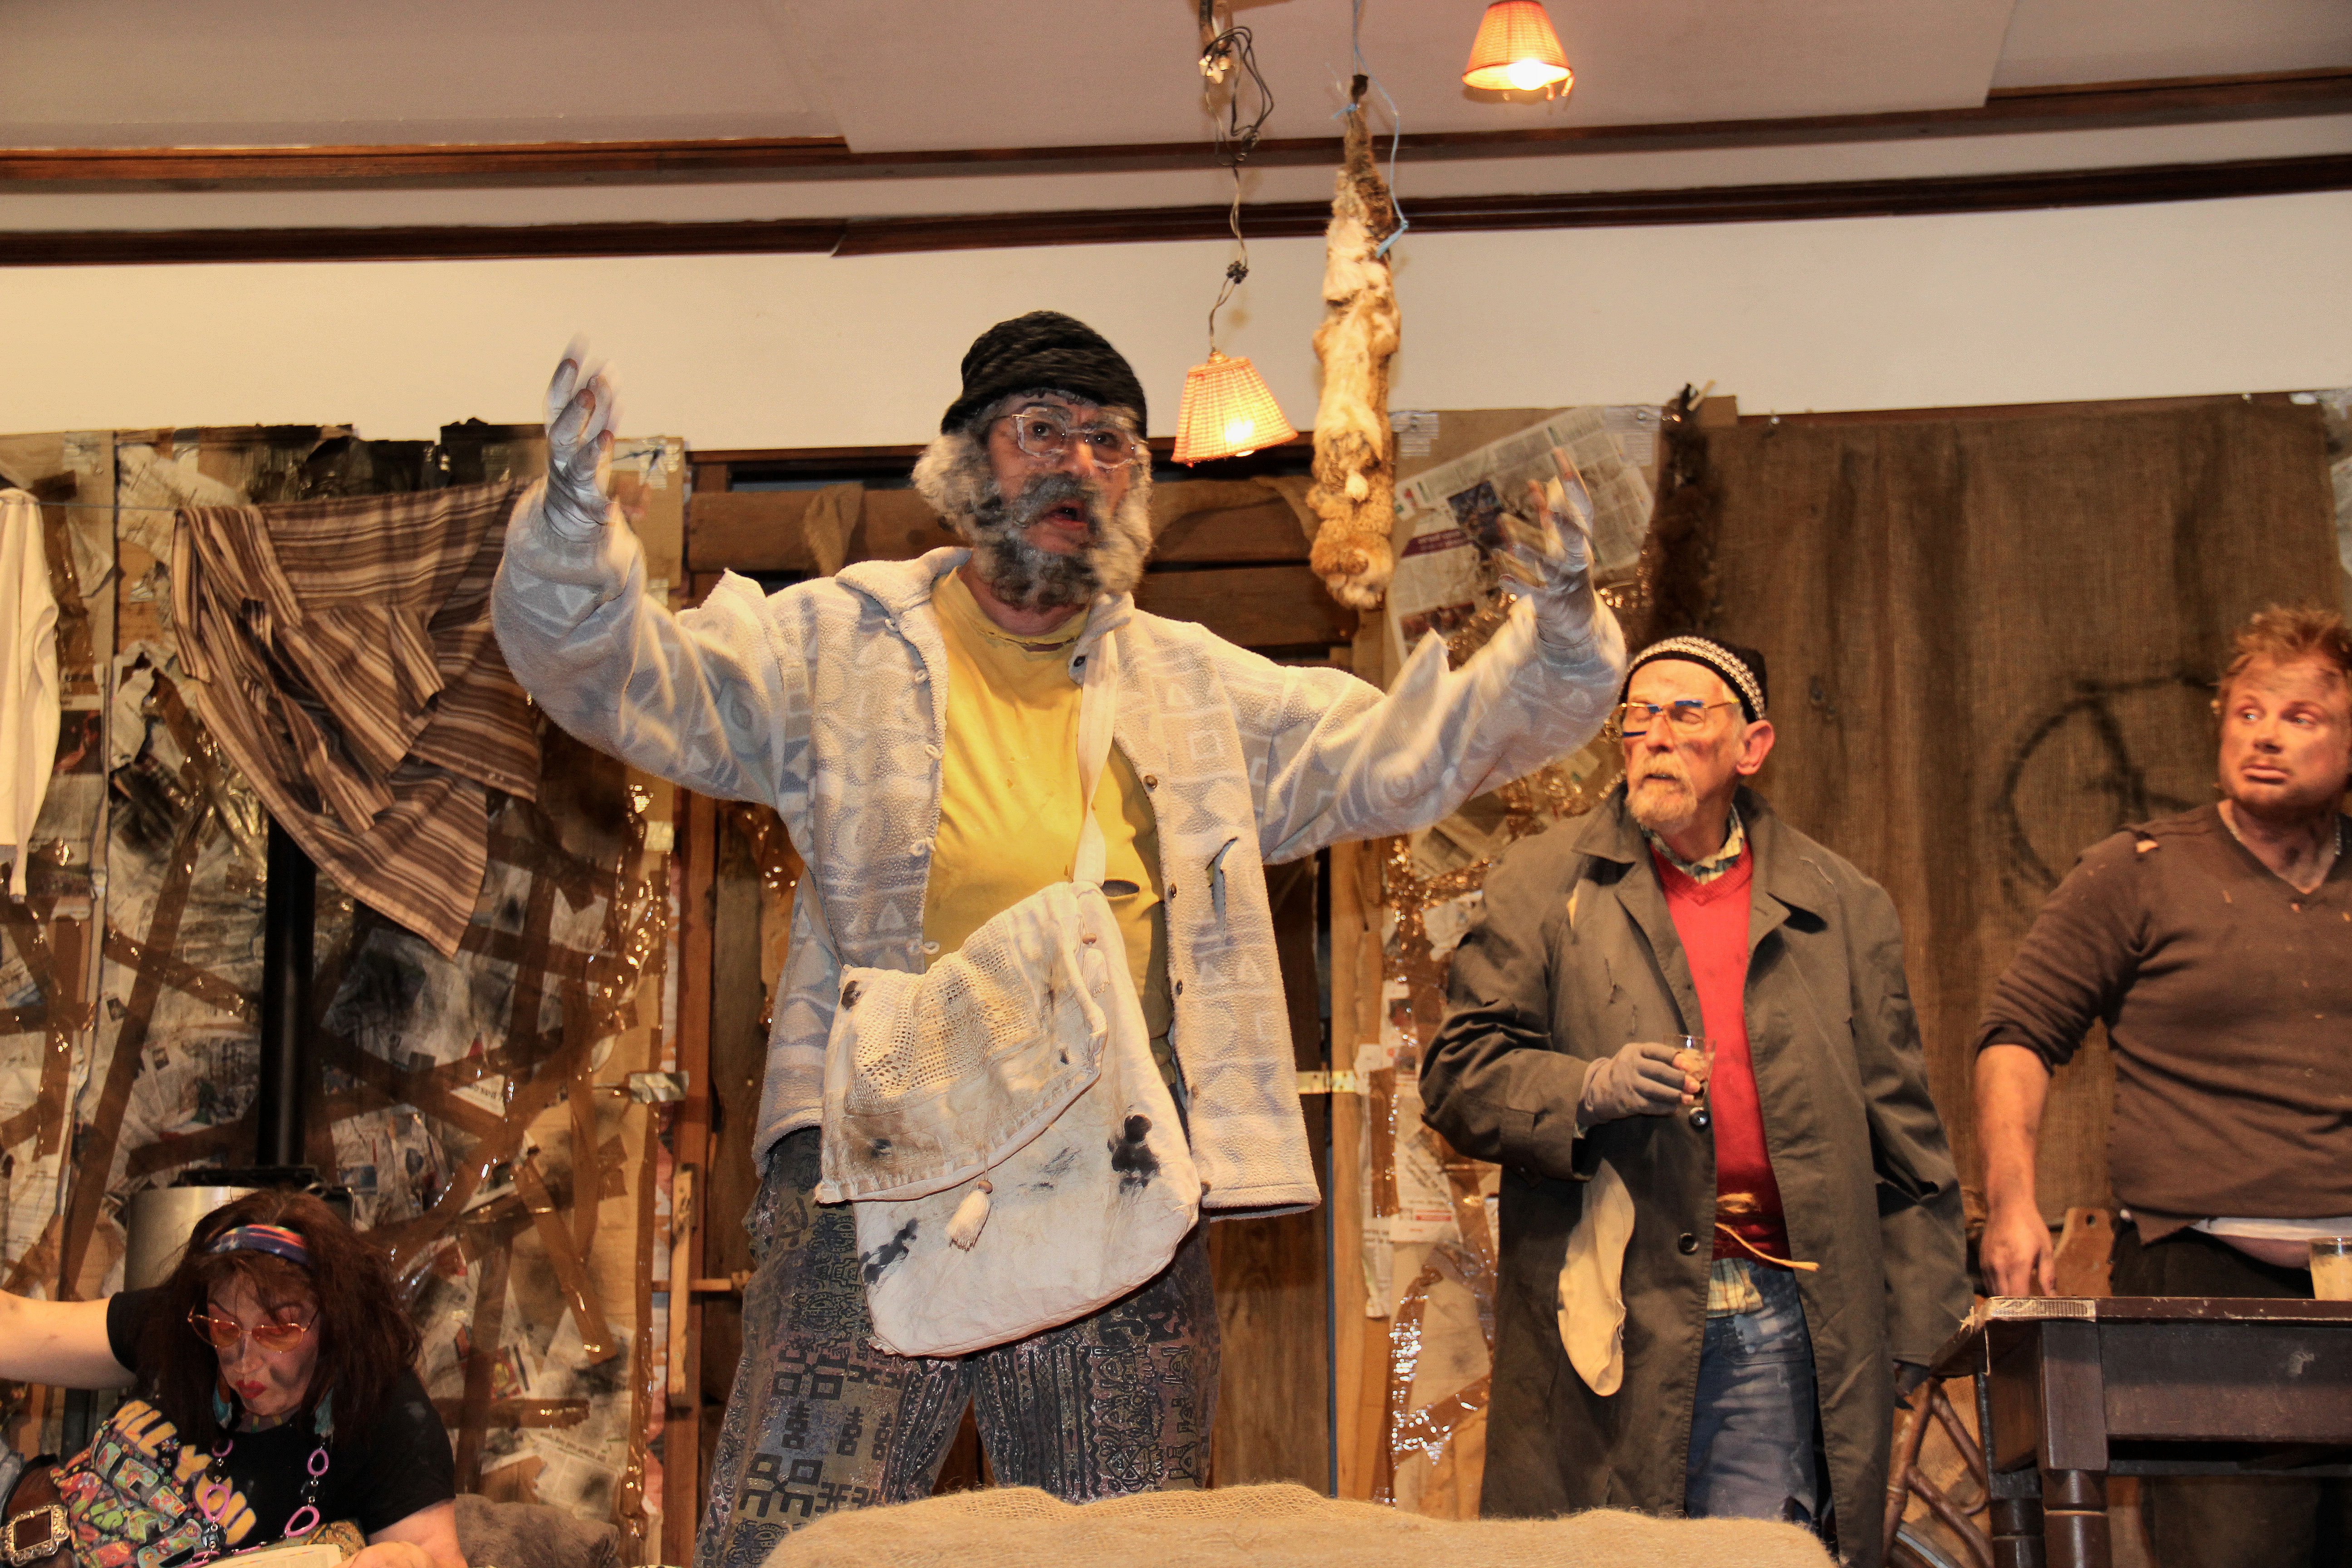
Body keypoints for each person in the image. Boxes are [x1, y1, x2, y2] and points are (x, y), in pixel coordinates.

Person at [489, 311, 1627, 1559]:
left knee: (1122, 1546)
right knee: (794, 1541)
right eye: (1042, 431)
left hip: (1117, 1158)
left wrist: (1561, 632)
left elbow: (1419, 752)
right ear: (964, 462)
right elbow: (618, 675)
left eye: (1111, 444)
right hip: (873, 1161)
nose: (1078, 464)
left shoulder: (1197, 686)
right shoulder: (833, 645)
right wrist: (570, 531)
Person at [1419, 634, 1967, 1563]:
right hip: (1605, 1319)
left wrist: (1917, 1327)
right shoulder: (1544, 885)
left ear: (1751, 746)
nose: (1654, 737)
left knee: (1756, 1553)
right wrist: (1585, 1089)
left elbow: (1904, 1137)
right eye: (1636, 717)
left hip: (1780, 1321)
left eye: (1684, 714)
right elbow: (1458, 1073)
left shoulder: (1840, 905)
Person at [1975, 605, 2352, 1567]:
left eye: (2300, 716)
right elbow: (2017, 1036)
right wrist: (2012, 1203)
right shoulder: (2138, 871)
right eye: (2248, 712)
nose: (2264, 735)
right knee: (2235, 1550)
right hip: (2207, 1274)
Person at [0, 1190, 461, 1568]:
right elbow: (18, 1327)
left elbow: (436, 1558)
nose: (243, 1362)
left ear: (337, 1322)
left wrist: (403, 1559)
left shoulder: (386, 1410)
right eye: (224, 1327)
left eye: (277, 1331)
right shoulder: (184, 1333)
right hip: (23, 1509)